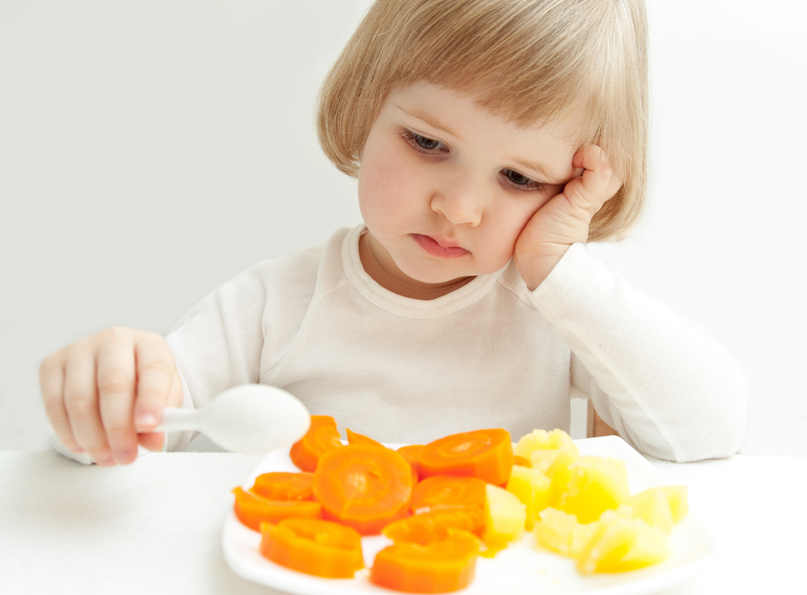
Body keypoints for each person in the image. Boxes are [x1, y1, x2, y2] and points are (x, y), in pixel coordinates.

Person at [39, 0, 748, 467]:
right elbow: (134, 436)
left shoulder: (549, 312)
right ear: (366, 106)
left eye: (519, 179)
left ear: (571, 184)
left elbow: (710, 430)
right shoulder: (270, 304)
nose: (460, 207)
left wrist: (558, 269)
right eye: (428, 143)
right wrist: (105, 393)